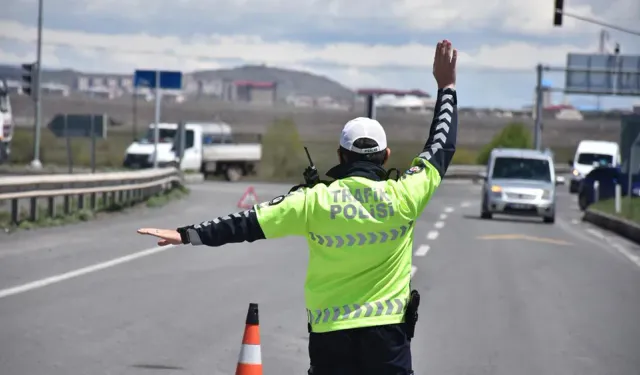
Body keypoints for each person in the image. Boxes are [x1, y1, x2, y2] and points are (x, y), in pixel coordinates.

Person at [137, 39, 458, 374]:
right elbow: (441, 145)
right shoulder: (405, 195)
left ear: (340, 156)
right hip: (388, 339)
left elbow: (246, 223)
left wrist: (188, 234)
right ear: (386, 156)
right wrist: (446, 87)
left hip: (330, 338)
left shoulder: (312, 201)